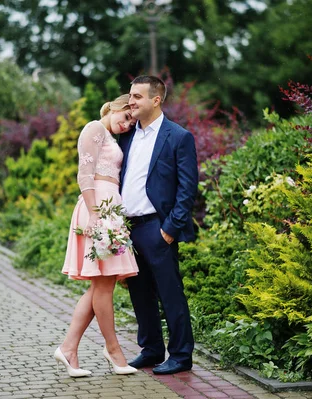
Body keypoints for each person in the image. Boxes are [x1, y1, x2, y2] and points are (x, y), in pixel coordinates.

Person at [55, 94, 139, 378]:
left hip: (109, 209)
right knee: (103, 287)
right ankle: (113, 351)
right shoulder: (94, 128)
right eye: (126, 116)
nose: (127, 124)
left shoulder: (112, 138)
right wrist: (94, 215)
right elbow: (84, 174)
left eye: (132, 121)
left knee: (100, 287)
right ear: (115, 107)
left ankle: (69, 349)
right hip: (98, 209)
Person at [119, 75, 198, 375]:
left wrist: (169, 230)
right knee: (139, 293)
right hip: (128, 228)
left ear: (156, 99)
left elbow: (187, 189)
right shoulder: (127, 136)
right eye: (130, 96)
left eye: (137, 96)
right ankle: (151, 349)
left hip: (158, 228)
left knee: (170, 293)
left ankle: (180, 355)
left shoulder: (178, 137)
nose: (131, 101)